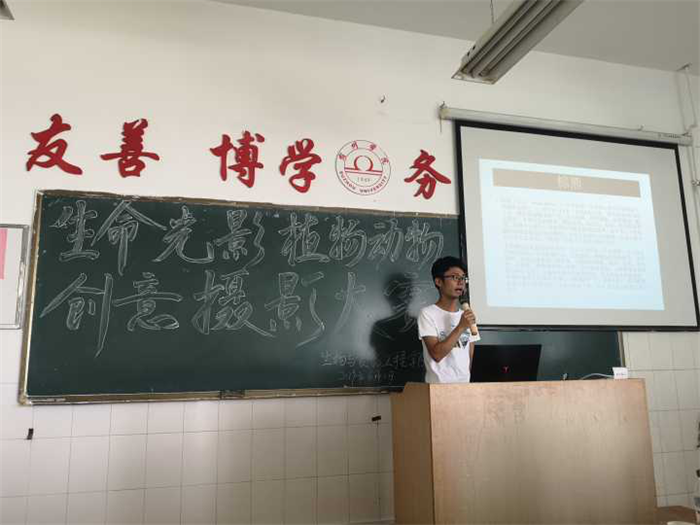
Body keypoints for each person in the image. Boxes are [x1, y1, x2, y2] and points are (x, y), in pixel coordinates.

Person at [417, 256, 478, 383]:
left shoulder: (466, 315)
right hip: (438, 388)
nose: (461, 282)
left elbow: (469, 357)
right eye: (455, 277)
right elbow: (437, 354)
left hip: (464, 388)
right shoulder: (427, 314)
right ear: (438, 282)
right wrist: (461, 327)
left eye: (463, 278)